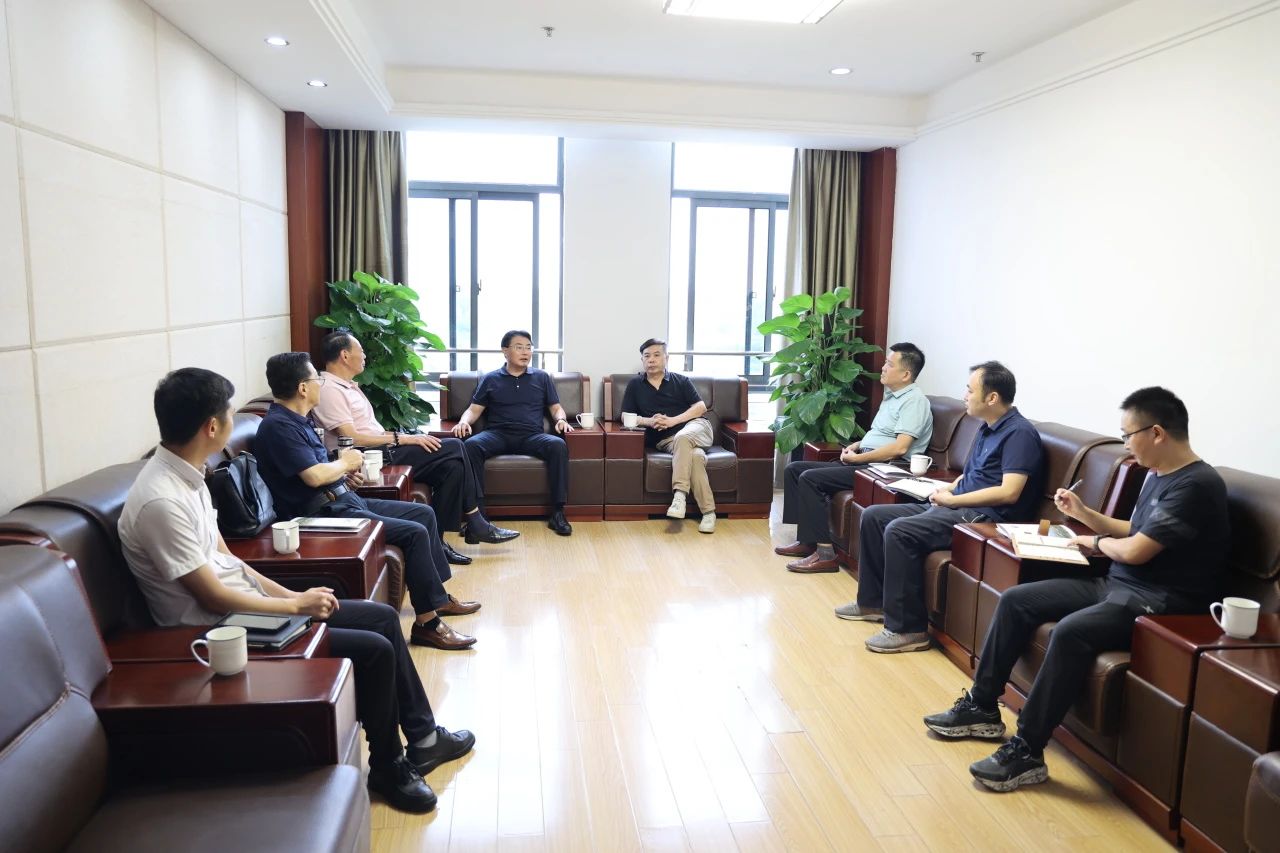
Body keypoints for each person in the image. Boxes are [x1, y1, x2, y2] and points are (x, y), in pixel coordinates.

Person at [119, 368, 476, 814]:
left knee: (383, 618)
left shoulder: (190, 478)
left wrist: (292, 597)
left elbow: (232, 564)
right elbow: (212, 598)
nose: (230, 422)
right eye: (227, 413)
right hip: (219, 632)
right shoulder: (161, 500)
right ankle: (389, 765)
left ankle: (423, 739)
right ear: (212, 427)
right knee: (374, 649)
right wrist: (294, 605)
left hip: (247, 609)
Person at [922, 387, 1229, 792]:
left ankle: (1028, 751)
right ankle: (981, 707)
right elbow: (1134, 531)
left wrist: (1093, 542)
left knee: (1071, 631)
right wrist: (1084, 514)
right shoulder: (1157, 474)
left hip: (1161, 602)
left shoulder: (1197, 485)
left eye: (1128, 435)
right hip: (1118, 584)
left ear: (1156, 433)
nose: (1126, 444)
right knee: (1017, 601)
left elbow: (1136, 550)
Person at [255, 352, 479, 651]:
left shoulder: (299, 420)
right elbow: (313, 476)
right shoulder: (278, 427)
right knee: (414, 532)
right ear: (303, 388)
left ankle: (436, 599)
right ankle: (428, 624)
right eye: (316, 378)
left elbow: (318, 469)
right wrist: (345, 464)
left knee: (422, 513)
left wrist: (343, 475)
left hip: (342, 498)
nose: (321, 383)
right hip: (321, 514)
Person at [840, 361, 1045, 653]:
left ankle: (909, 629)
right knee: (875, 516)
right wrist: (946, 489)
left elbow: (1009, 492)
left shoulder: (1019, 434)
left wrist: (953, 499)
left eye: (970, 390)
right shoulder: (988, 428)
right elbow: (972, 475)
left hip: (983, 517)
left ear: (992, 398)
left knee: (899, 531)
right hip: (956, 505)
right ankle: (872, 603)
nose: (964, 396)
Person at [312, 329, 519, 565]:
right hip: (367, 457)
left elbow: (370, 431)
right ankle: (476, 521)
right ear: (345, 355)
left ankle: (439, 543)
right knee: (454, 446)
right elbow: (352, 438)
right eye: (361, 351)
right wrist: (403, 439)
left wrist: (406, 437)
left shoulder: (348, 386)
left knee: (452, 468)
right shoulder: (330, 389)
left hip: (380, 449)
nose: (365, 356)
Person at [778, 342, 933, 572]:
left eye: (889, 364)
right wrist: (857, 445)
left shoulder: (914, 401)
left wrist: (857, 459)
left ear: (906, 374)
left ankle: (826, 554)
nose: (883, 368)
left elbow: (900, 448)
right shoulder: (893, 397)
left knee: (810, 478)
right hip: (867, 460)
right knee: (794, 469)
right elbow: (881, 434)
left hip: (883, 468)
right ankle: (808, 541)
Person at [452, 330, 574, 536]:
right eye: (519, 347)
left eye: (528, 348)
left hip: (531, 435)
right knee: (471, 445)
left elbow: (555, 407)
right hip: (498, 434)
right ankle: (479, 516)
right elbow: (474, 409)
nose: (525, 352)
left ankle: (558, 513)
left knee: (557, 445)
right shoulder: (490, 379)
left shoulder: (542, 377)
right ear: (505, 351)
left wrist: (561, 420)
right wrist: (463, 422)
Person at [620, 338, 718, 533]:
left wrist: (673, 421)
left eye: (657, 355)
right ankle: (709, 513)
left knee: (683, 437)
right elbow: (625, 416)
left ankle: (679, 495)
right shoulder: (635, 385)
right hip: (667, 441)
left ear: (666, 358)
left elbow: (700, 407)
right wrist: (648, 421)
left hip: (697, 428)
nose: (651, 360)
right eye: (647, 356)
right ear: (642, 360)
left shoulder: (680, 381)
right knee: (696, 457)